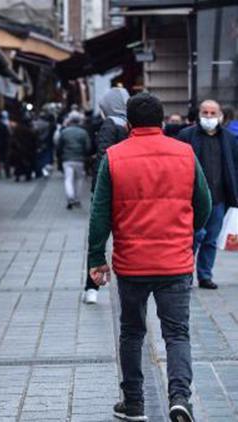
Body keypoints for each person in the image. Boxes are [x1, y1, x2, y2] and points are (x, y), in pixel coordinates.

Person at [88, 92, 210, 422]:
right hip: (175, 262)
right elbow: (205, 203)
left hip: (131, 263)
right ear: (161, 121)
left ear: (128, 124)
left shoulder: (113, 157)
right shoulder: (185, 153)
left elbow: (99, 213)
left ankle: (134, 402)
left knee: (131, 332)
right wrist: (186, 232)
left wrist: (96, 257)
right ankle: (180, 397)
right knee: (177, 334)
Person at [177, 99, 238, 290]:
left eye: (213, 113)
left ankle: (205, 275)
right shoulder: (186, 135)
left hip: (219, 198)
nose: (209, 117)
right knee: (193, 238)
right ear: (199, 114)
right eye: (205, 113)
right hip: (193, 199)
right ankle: (185, 274)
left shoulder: (228, 138)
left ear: (220, 115)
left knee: (211, 239)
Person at [83, 87, 130, 305]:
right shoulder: (131, 123)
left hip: (109, 188)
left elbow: (103, 157)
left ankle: (92, 286)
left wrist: (97, 189)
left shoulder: (109, 124)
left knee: (98, 238)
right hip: (129, 190)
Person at [57, 113, 92, 210]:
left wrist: (60, 155)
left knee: (68, 178)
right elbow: (88, 147)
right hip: (80, 159)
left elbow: (59, 146)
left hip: (67, 159)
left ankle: (70, 197)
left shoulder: (64, 132)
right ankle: (77, 199)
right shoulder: (83, 132)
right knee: (79, 179)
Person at [9, 114, 38, 182]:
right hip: (28, 150)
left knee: (19, 164)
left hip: (19, 150)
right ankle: (28, 176)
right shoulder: (30, 130)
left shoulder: (17, 129)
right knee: (28, 164)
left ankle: (18, 176)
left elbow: (13, 139)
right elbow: (34, 140)